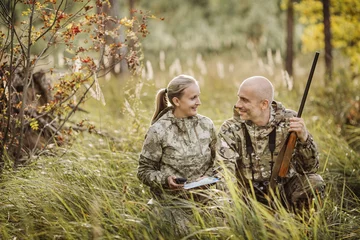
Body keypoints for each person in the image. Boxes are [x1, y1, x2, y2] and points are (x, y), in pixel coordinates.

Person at [216, 76, 325, 212]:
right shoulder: (230, 129)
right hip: (247, 196)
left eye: (244, 100)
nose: (238, 104)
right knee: (222, 197)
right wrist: (234, 205)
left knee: (315, 182)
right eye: (239, 97)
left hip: (284, 191)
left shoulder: (290, 121)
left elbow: (310, 168)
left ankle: (305, 228)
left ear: (264, 104)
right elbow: (225, 173)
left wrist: (304, 138)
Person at [137, 74, 217, 236]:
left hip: (205, 203)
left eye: (198, 97)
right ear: (176, 101)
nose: (198, 102)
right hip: (171, 206)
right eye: (193, 98)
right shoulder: (159, 130)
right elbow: (144, 171)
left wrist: (208, 177)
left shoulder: (206, 125)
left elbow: (219, 163)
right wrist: (166, 180)